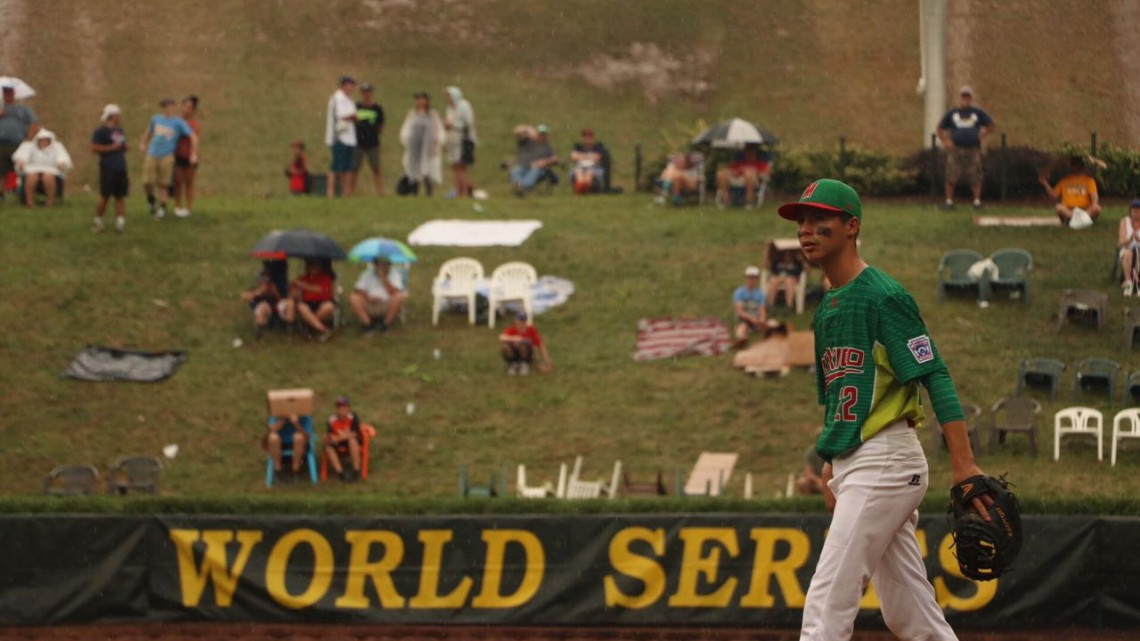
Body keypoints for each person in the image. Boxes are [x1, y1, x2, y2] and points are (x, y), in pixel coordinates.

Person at [776, 178, 989, 641]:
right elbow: (838, 398)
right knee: (909, 614)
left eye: (819, 219)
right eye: (801, 221)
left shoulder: (884, 296)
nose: (805, 230)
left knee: (827, 601)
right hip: (857, 463)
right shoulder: (827, 308)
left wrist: (964, 463)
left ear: (851, 227)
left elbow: (935, 373)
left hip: (887, 460)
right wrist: (832, 466)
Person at [937, 85, 994, 211]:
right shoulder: (952, 113)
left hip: (973, 149)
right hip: (956, 149)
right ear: (960, 98)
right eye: (963, 96)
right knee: (951, 174)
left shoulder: (977, 113)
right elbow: (940, 128)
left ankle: (977, 202)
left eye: (968, 96)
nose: (965, 99)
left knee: (975, 175)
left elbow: (990, 125)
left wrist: (982, 136)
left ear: (971, 98)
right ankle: (949, 202)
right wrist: (945, 141)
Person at [139, 98, 197, 220]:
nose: (167, 108)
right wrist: (143, 143)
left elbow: (192, 136)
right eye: (165, 106)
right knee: (147, 182)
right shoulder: (156, 119)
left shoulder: (178, 122)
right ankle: (151, 200)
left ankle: (163, 208)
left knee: (163, 183)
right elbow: (148, 132)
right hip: (152, 153)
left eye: (170, 106)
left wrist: (194, 153)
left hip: (167, 155)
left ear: (173, 107)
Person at [91, 104, 129, 232]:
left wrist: (125, 147)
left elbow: (123, 145)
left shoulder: (120, 130)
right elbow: (95, 147)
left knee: (120, 195)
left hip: (121, 166)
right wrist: (110, 148)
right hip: (108, 167)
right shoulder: (100, 131)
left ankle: (120, 221)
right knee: (105, 195)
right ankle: (98, 220)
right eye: (118, 114)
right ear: (112, 116)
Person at [398, 91, 444, 196]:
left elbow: (438, 130)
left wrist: (437, 142)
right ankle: (414, 192)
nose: (419, 101)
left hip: (428, 148)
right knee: (414, 169)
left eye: (421, 99)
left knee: (428, 170)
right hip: (415, 147)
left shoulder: (433, 114)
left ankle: (429, 192)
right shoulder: (412, 114)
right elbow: (406, 129)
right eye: (418, 99)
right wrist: (407, 141)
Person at [0, 82, 40, 201]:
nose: (8, 94)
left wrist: (29, 137)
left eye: (10, 91)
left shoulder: (24, 109)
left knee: (21, 169)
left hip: (19, 143)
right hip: (1, 143)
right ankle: (1, 194)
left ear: (14, 93)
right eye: (5, 92)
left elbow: (34, 123)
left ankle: (24, 194)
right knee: (1, 170)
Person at [12, 129, 71, 207]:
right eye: (42, 140)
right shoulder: (29, 146)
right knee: (32, 177)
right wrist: (21, 162)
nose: (44, 142)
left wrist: (62, 163)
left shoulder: (57, 146)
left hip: (51, 170)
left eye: (46, 140)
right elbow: (21, 157)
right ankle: (29, 201)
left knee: (48, 176)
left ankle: (50, 201)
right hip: (32, 169)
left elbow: (63, 158)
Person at [1039, 155, 1101, 227]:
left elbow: (1094, 195)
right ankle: (1080, 219)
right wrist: (1045, 183)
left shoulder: (1089, 180)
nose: (1076, 167)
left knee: (1097, 208)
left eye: (1078, 165)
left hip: (1085, 209)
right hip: (1068, 210)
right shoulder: (1064, 181)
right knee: (1059, 208)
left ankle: (1077, 219)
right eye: (1074, 165)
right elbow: (1053, 196)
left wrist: (1094, 203)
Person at [349, 258, 407, 335]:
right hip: (370, 303)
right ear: (375, 265)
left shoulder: (394, 274)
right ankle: (368, 325)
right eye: (380, 264)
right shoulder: (367, 274)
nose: (383, 267)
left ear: (389, 265)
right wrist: (369, 298)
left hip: (386, 304)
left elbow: (395, 292)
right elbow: (359, 290)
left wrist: (384, 279)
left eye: (385, 264)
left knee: (400, 296)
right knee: (353, 297)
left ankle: (385, 324)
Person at [325, 76, 357, 198]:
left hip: (349, 138)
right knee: (336, 166)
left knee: (346, 167)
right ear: (343, 86)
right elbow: (341, 115)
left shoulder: (349, 100)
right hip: (339, 137)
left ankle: (346, 193)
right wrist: (354, 117)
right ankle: (330, 192)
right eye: (349, 85)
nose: (351, 88)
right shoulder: (338, 98)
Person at [240, 260, 292, 336]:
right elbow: (244, 295)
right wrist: (257, 293)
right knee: (263, 307)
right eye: (262, 281)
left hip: (275, 306)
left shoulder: (275, 287)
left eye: (267, 282)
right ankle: (259, 331)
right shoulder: (257, 289)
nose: (265, 284)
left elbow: (281, 299)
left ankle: (288, 329)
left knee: (288, 304)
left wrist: (275, 293)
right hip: (264, 307)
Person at [290, 258, 336, 341]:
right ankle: (323, 329)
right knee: (301, 306)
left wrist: (302, 285)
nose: (312, 268)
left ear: (320, 267)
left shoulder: (326, 278)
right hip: (307, 303)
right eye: (310, 265)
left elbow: (319, 290)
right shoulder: (303, 278)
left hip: (323, 301)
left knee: (329, 306)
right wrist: (296, 293)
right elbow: (292, 293)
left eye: (315, 265)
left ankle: (309, 325)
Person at [444, 86, 476, 198]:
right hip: (452, 141)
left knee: (461, 166)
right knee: (455, 167)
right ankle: (458, 190)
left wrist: (453, 125)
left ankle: (464, 192)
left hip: (463, 140)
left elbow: (468, 123)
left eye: (449, 96)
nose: (448, 99)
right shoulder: (449, 109)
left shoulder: (464, 106)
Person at [352, 82, 384, 196]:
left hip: (373, 143)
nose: (366, 95)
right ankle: (351, 192)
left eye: (368, 92)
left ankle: (380, 192)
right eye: (364, 92)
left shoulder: (377, 108)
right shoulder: (356, 106)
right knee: (354, 169)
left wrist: (374, 134)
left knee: (376, 168)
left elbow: (381, 125)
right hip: (358, 142)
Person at [715, 144, 771, 208]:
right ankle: (726, 200)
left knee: (749, 174)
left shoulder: (760, 164)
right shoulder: (739, 162)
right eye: (747, 152)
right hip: (735, 179)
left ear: (755, 154)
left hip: (751, 181)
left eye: (751, 152)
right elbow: (731, 170)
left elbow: (766, 173)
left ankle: (748, 201)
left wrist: (754, 172)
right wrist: (733, 172)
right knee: (720, 174)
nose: (749, 154)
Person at [509, 124, 558, 196]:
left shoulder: (547, 146)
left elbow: (555, 159)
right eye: (540, 133)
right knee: (515, 171)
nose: (542, 135)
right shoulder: (525, 142)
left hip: (538, 168)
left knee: (535, 171)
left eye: (544, 134)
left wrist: (544, 162)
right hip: (523, 167)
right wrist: (529, 129)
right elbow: (517, 130)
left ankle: (522, 188)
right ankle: (519, 187)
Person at [172, 95, 201, 217]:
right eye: (184, 106)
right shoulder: (176, 122)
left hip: (189, 157)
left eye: (189, 108)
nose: (185, 109)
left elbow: (194, 138)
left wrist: (194, 155)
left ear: (193, 110)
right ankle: (178, 206)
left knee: (189, 183)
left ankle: (188, 207)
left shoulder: (195, 124)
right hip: (178, 156)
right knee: (177, 182)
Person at [499, 311, 552, 375]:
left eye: (523, 320)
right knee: (505, 346)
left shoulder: (531, 329)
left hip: (528, 354)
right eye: (519, 320)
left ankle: (524, 364)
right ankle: (513, 364)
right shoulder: (511, 329)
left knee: (522, 344)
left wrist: (547, 363)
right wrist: (515, 338)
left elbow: (541, 345)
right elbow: (502, 337)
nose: (521, 323)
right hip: (515, 353)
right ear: (515, 321)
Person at [325, 396, 362, 481]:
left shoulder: (353, 417)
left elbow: (355, 433)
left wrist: (339, 438)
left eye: (345, 407)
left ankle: (356, 471)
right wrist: (330, 438)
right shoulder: (331, 419)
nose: (342, 409)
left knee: (352, 441)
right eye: (340, 407)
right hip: (337, 442)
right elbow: (329, 434)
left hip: (350, 441)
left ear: (348, 408)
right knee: (328, 447)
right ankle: (341, 474)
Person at [264, 413, 309, 480]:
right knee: (273, 437)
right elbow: (270, 432)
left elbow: (307, 436)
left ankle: (295, 471)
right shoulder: (275, 416)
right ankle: (277, 471)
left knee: (299, 437)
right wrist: (283, 421)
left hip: (299, 444)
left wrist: (296, 424)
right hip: (279, 444)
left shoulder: (304, 416)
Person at [765, 240, 806, 312]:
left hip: (792, 279)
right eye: (786, 253)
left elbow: (807, 270)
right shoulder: (778, 263)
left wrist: (802, 259)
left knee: (789, 281)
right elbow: (767, 265)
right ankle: (770, 305)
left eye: (789, 253)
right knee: (774, 280)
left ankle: (789, 306)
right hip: (778, 278)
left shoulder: (796, 263)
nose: (787, 255)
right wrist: (768, 248)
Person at [732, 265, 768, 347]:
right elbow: (740, 311)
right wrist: (751, 318)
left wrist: (762, 319)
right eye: (750, 277)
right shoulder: (739, 292)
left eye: (754, 277)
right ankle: (741, 338)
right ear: (746, 278)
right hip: (744, 319)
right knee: (742, 327)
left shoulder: (760, 293)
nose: (751, 280)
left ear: (757, 279)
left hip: (756, 319)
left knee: (771, 323)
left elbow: (762, 309)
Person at [570, 128, 607, 195]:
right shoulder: (578, 147)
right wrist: (590, 156)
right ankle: (580, 189)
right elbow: (573, 156)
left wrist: (581, 156)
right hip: (580, 167)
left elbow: (597, 157)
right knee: (578, 172)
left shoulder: (598, 147)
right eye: (585, 136)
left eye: (589, 136)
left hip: (593, 167)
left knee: (589, 173)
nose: (587, 138)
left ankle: (584, 189)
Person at [1118, 199, 1140, 297]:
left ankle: (1137, 283)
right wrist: (1130, 239)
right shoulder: (1124, 221)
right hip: (1128, 247)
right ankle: (1128, 282)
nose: (1136, 212)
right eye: (1133, 209)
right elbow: (1121, 242)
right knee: (1128, 254)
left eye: (1138, 209)